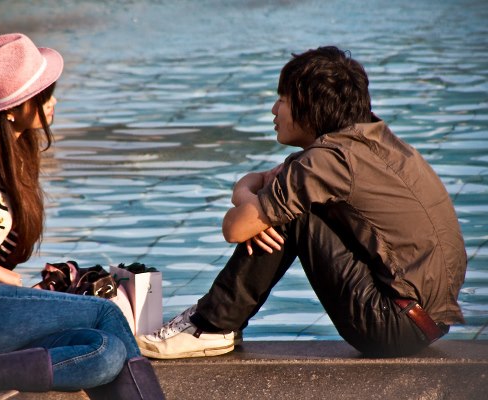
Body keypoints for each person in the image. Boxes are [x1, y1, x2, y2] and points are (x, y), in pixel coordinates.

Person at [137, 46, 467, 359]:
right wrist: (247, 194)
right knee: (283, 205)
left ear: (308, 108)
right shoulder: (370, 142)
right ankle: (217, 320)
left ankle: (213, 325)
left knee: (292, 214)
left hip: (392, 325)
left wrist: (249, 200)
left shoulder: (327, 163)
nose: (273, 110)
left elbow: (234, 227)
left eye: (282, 99)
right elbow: (262, 184)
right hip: (426, 321)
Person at [0, 33, 165, 399]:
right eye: (43, 96)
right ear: (12, 108)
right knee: (106, 315)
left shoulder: (5, 155)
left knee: (105, 350)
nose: (53, 102)